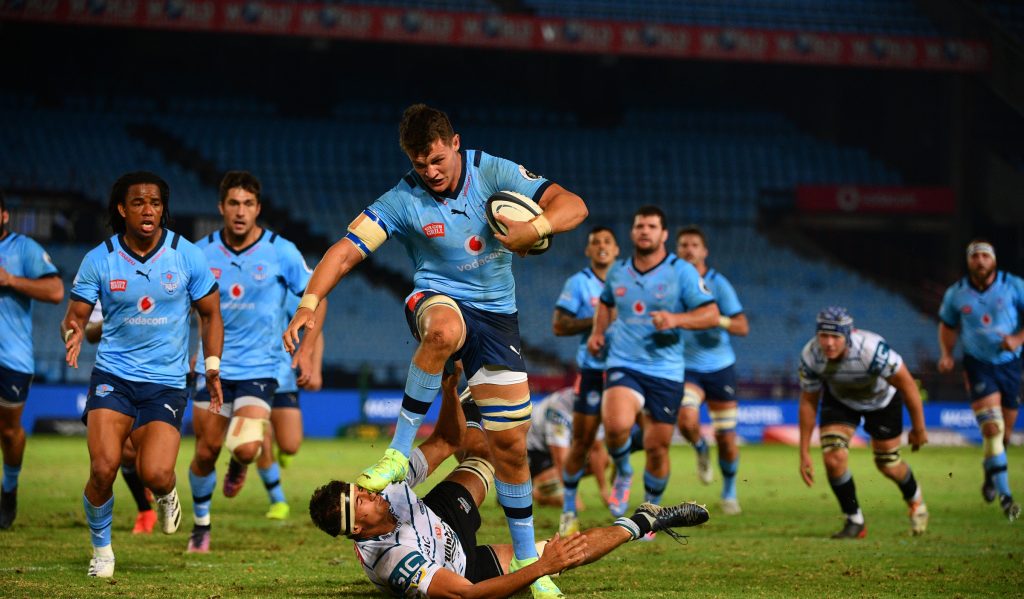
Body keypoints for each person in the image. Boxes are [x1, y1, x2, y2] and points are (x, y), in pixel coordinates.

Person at [284, 104, 588, 598]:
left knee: (509, 447)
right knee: (442, 333)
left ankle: (531, 560)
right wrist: (308, 304)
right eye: (419, 164)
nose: (430, 172)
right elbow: (344, 250)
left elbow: (574, 205)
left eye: (436, 160)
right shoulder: (403, 199)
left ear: (455, 144)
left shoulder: (493, 171)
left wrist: (536, 229)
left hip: (496, 319)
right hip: (436, 300)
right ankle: (397, 454)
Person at [308, 366, 710, 599]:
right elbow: (464, 595)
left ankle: (471, 402)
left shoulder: (389, 490)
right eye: (360, 500)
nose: (369, 491)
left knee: (480, 451)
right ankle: (646, 521)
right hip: (462, 567)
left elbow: (445, 441)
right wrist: (540, 569)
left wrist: (449, 391)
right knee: (560, 554)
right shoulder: (394, 561)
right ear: (356, 528)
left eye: (359, 488)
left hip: (437, 514)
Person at [61, 171, 224, 577]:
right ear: (122, 209)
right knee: (103, 468)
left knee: (154, 472)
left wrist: (212, 365)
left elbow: (211, 314)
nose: (148, 210)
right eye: (138, 203)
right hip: (112, 376)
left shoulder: (186, 255)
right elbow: (75, 316)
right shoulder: (99, 258)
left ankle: (166, 494)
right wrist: (73, 334)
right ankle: (102, 552)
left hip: (165, 382)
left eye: (154, 203)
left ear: (163, 209)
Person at [187, 171, 325, 552]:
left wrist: (307, 350)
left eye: (248, 204)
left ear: (258, 209)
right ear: (221, 207)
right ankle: (201, 526)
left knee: (247, 448)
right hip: (213, 367)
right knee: (204, 452)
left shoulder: (281, 251)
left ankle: (241, 464)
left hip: (260, 369)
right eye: (233, 203)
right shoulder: (199, 253)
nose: (240, 211)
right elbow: (183, 306)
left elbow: (318, 296)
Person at [587, 206, 719, 522]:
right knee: (616, 426)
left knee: (657, 448)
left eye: (651, 226)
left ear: (663, 235)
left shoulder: (682, 271)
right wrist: (597, 333)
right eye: (639, 226)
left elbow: (711, 314)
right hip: (624, 362)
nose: (644, 231)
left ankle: (650, 513)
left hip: (666, 370)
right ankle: (624, 469)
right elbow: (606, 303)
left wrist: (676, 318)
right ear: (632, 233)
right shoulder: (618, 270)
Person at [798, 306, 929, 538]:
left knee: (888, 464)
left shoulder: (873, 350)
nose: (828, 343)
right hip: (841, 401)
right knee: (833, 457)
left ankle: (916, 501)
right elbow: (808, 402)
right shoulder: (811, 355)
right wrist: (804, 451)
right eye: (823, 336)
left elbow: (908, 384)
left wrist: (919, 428)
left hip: (882, 401)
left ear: (848, 336)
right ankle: (854, 520)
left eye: (835, 336)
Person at [937, 239, 1023, 521]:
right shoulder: (956, 294)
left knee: (1004, 435)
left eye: (985, 255)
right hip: (977, 366)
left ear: (994, 260)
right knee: (993, 428)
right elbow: (947, 325)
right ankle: (1007, 498)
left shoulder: (1014, 285)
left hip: (1011, 365)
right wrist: (947, 354)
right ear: (969, 262)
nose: (980, 261)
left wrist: (1017, 338)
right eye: (975, 256)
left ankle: (990, 475)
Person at [0, 190, 64, 529]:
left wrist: (10, 280)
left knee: (9, 433)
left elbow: (55, 292)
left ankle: (9, 489)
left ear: (4, 215)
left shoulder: (22, 249)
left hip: (11, 357)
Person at [674, 226, 750, 514]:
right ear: (677, 250)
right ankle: (700, 449)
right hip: (686, 368)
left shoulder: (719, 283)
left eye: (694, 245)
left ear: (704, 251)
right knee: (686, 419)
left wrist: (715, 319)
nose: (689, 249)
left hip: (719, 368)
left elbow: (742, 326)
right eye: (683, 245)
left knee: (727, 438)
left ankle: (729, 491)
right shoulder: (672, 283)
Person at [552, 226, 618, 536]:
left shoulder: (631, 282)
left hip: (629, 371)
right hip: (593, 371)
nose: (602, 246)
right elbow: (560, 325)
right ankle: (568, 509)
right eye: (596, 242)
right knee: (583, 441)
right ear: (588, 251)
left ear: (617, 250)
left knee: (639, 434)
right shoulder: (579, 283)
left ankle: (626, 486)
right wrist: (599, 319)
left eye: (607, 241)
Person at [84, 302, 157, 533]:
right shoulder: (102, 274)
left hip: (157, 374)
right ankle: (145, 510)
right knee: (122, 453)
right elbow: (89, 333)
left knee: (152, 462)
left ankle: (151, 480)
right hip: (115, 374)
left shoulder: (166, 272)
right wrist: (115, 317)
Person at [254, 290, 324, 520]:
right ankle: (278, 500)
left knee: (290, 444)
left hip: (283, 378)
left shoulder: (287, 292)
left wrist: (314, 367)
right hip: (250, 377)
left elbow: (315, 327)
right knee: (260, 439)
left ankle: (283, 450)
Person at [526, 387, 610, 511]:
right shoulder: (560, 408)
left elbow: (596, 451)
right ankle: (528, 490)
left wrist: (604, 491)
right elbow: (560, 459)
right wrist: (572, 499)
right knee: (567, 500)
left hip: (557, 449)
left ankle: (544, 484)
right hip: (533, 449)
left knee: (605, 460)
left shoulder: (598, 407)